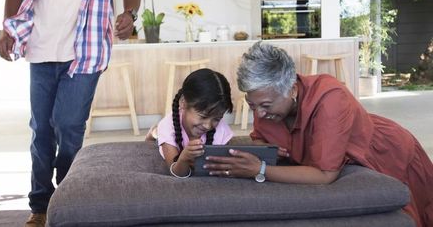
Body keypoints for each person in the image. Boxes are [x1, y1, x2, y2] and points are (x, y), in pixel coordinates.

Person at [204, 42, 433, 227]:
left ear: (292, 89)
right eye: (252, 105)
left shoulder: (330, 98)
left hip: (387, 154)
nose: (259, 114)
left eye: (265, 105)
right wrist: (266, 148)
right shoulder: (265, 107)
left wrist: (260, 169)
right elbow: (260, 135)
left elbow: (325, 174)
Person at [0, 0, 140, 226]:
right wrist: (8, 30)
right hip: (40, 51)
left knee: (68, 125)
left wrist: (130, 14)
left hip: (87, 52)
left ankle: (67, 198)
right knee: (41, 130)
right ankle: (40, 206)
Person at [151, 68, 234, 178]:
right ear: (183, 103)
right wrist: (184, 158)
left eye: (217, 119)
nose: (208, 125)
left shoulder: (220, 129)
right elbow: (176, 172)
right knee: (158, 134)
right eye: (203, 116)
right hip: (168, 130)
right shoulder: (168, 128)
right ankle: (153, 133)